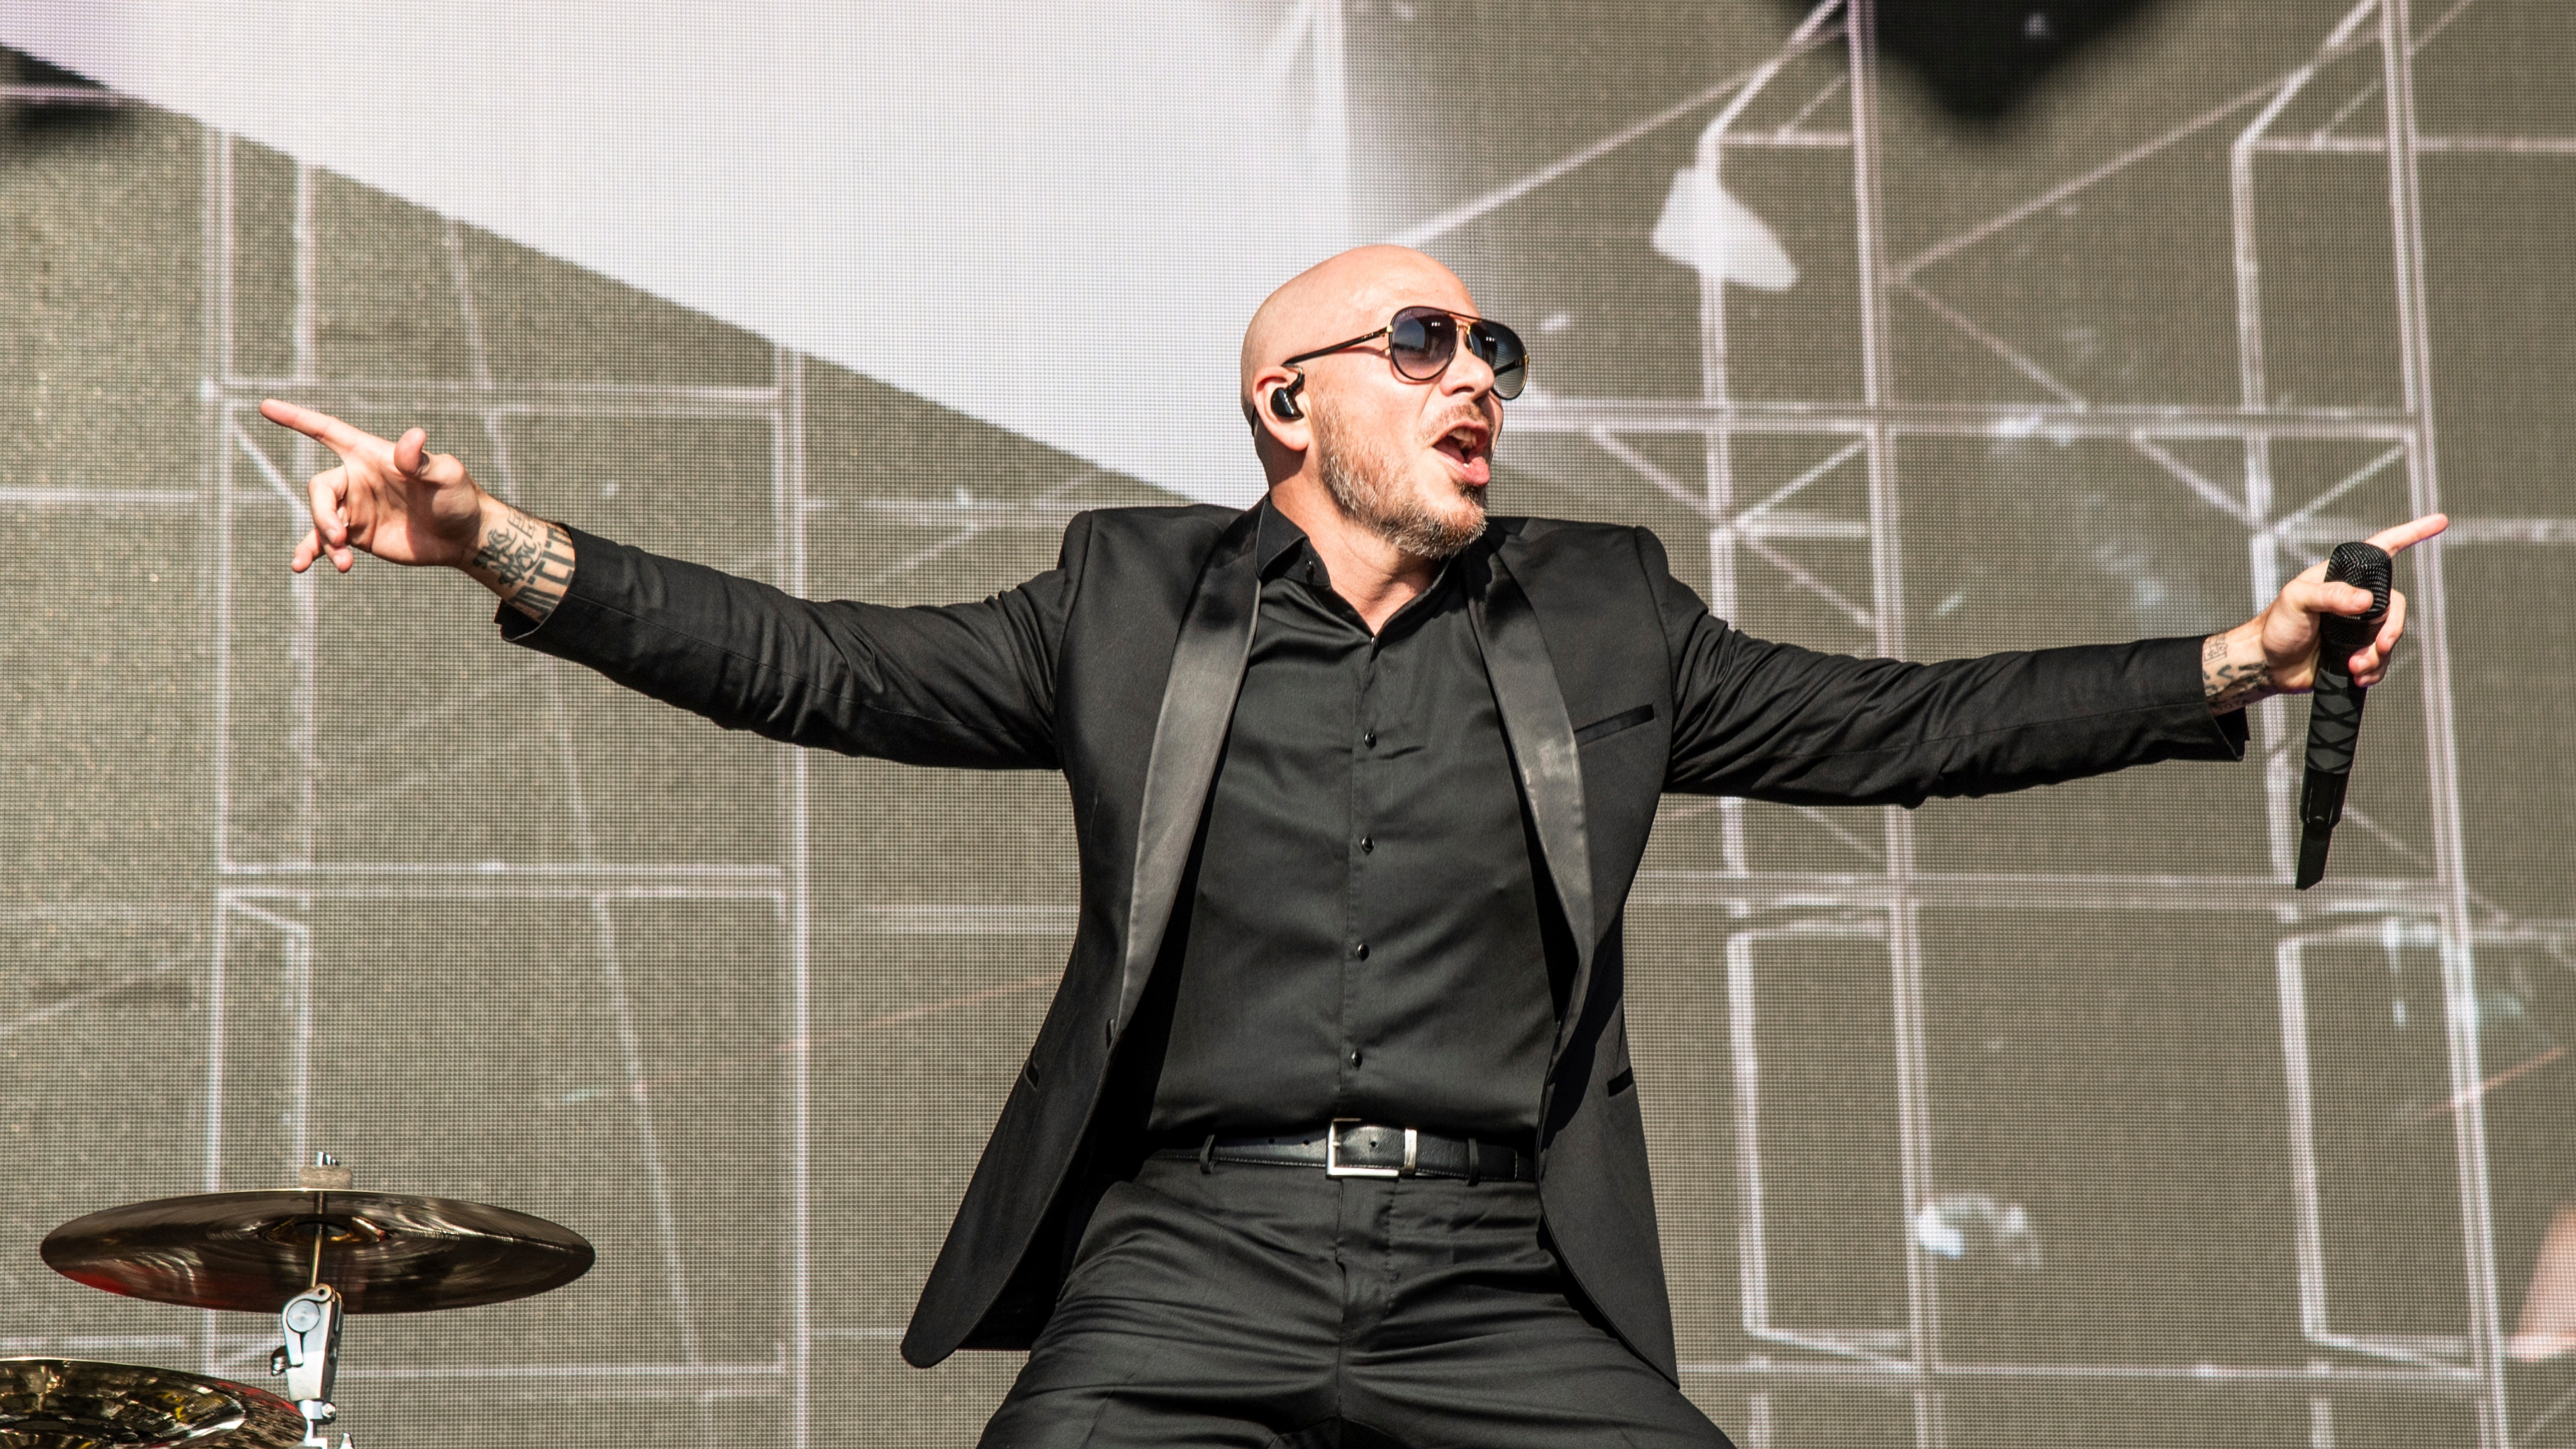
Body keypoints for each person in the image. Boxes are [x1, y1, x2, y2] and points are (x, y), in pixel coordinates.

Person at [261, 244, 2443, 1448]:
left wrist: (2243, 653)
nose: (1477, 372)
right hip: (1188, 1263)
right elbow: (816, 663)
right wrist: (492, 544)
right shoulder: (1128, 607)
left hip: (1503, 1278)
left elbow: (1908, 729)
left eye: (1492, 344)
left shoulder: (1603, 616)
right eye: (1421, 344)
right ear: (1290, 407)